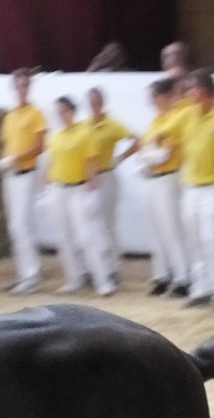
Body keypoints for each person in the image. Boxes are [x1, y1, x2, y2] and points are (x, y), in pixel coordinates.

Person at [158, 69, 214, 309]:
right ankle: (201, 287)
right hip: (191, 186)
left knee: (212, 236)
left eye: (191, 88)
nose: (188, 93)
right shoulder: (187, 113)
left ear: (204, 90)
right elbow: (164, 132)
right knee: (194, 238)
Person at [45, 96, 115, 297]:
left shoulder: (85, 133)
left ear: (72, 111)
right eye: (59, 112)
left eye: (64, 111)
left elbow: (91, 163)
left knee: (86, 236)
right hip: (59, 188)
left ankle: (102, 280)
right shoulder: (55, 136)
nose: (61, 115)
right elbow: (52, 163)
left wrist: (92, 190)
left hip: (78, 188)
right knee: (63, 236)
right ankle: (73, 277)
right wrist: (47, 185)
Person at [138, 78, 191, 298]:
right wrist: (148, 156)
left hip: (169, 177)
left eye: (155, 97)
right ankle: (162, 275)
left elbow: (163, 154)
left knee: (172, 229)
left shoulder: (176, 118)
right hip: (154, 178)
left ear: (166, 96)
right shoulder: (155, 122)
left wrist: (148, 156)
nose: (152, 101)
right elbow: (147, 152)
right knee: (157, 229)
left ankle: (183, 277)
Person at [0, 69, 46, 295]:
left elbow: (39, 146)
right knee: (14, 227)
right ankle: (23, 272)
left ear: (29, 87)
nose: (21, 89)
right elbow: (6, 144)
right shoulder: (10, 116)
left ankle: (31, 275)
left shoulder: (36, 114)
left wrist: (16, 158)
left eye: (25, 85)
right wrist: (5, 160)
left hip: (25, 172)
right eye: (18, 85)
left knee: (21, 225)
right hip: (11, 175)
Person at [83, 88, 133, 277]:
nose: (94, 106)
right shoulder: (84, 125)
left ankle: (113, 266)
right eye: (91, 102)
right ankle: (95, 265)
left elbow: (135, 139)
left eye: (97, 102)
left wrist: (120, 158)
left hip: (106, 175)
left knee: (107, 223)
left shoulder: (112, 125)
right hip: (89, 178)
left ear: (102, 103)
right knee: (91, 224)